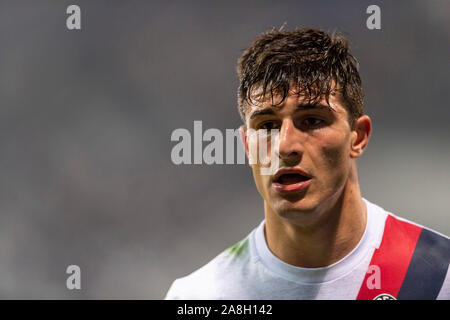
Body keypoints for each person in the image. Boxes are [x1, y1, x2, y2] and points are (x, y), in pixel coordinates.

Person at [165, 28, 449, 300]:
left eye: (312, 120)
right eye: (267, 126)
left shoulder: (439, 277)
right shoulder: (200, 296)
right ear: (247, 145)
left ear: (358, 137)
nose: (286, 146)